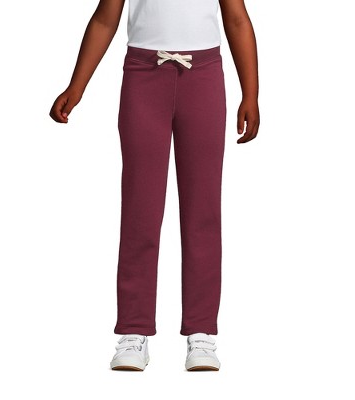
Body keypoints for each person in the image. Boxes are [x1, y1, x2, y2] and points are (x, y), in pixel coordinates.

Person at [49, 0, 260, 371]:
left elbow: (238, 19)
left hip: (204, 75)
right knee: (140, 208)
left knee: (202, 210)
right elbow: (105, 19)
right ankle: (133, 330)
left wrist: (251, 93)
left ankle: (201, 331)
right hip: (143, 76)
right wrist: (77, 86)